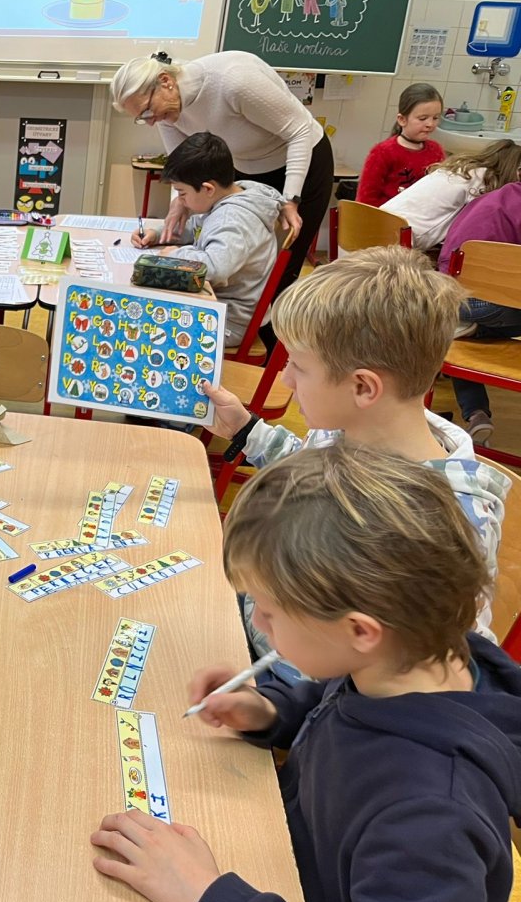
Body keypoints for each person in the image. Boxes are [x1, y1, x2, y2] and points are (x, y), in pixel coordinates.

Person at [91, 444, 521, 902]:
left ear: (360, 631)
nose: (257, 621)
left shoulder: (428, 821)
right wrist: (269, 712)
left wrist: (212, 900)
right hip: (283, 846)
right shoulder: (402, 661)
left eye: (269, 611)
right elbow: (335, 709)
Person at [201, 245, 510, 670]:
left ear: (363, 387)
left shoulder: (442, 524)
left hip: (298, 682)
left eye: (298, 366)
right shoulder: (350, 426)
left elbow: (435, 668)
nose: (286, 379)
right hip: (261, 625)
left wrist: (281, 697)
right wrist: (246, 430)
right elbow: (308, 469)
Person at [110, 50, 331, 295]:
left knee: (283, 267)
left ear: (166, 81)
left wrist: (290, 199)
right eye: (141, 118)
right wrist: (179, 205)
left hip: (302, 161)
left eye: (147, 110)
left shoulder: (234, 81)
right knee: (236, 254)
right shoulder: (165, 112)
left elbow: (299, 130)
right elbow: (184, 168)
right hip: (248, 165)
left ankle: (271, 318)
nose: (151, 121)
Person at [131, 132, 282, 348]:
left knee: (140, 321)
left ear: (208, 189)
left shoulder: (232, 219)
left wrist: (176, 255)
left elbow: (216, 267)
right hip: (215, 304)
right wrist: (158, 234)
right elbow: (197, 228)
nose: (181, 201)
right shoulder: (229, 197)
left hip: (227, 321)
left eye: (182, 193)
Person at [437, 180, 521, 444]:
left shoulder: (490, 198)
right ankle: (475, 328)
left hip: (451, 296)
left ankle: (476, 414)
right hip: (486, 303)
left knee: (451, 333)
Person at [381, 136, 521, 250]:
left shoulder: (456, 168)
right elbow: (474, 225)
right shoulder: (481, 178)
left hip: (379, 219)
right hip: (401, 239)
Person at [357, 83, 444, 207]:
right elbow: (366, 199)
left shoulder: (436, 151)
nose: (430, 124)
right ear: (402, 119)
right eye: (422, 118)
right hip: (387, 216)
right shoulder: (383, 152)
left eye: (435, 118)